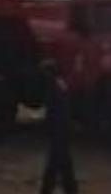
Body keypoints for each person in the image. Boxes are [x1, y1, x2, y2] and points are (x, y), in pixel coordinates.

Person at [38, 60, 77, 193]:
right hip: (62, 130)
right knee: (63, 164)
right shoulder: (60, 85)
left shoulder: (54, 88)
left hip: (59, 130)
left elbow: (54, 111)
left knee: (55, 164)